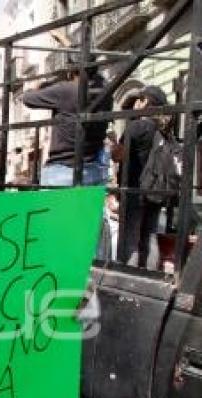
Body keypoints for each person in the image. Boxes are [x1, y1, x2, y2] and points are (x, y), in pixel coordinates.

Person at [22, 53, 112, 186]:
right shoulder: (105, 93)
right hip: (93, 169)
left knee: (53, 207)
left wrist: (38, 85)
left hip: (62, 170)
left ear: (71, 71)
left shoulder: (65, 90)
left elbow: (27, 99)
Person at [112, 85, 169, 267]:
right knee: (150, 236)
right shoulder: (164, 130)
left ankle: (128, 280)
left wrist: (113, 143)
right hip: (156, 190)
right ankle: (151, 277)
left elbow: (117, 155)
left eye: (139, 99)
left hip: (135, 190)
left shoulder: (137, 126)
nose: (136, 102)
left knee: (130, 239)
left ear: (145, 102)